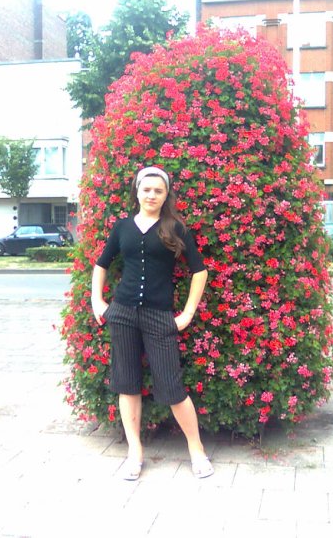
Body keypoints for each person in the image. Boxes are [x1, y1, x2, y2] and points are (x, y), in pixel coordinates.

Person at [91, 166, 214, 480]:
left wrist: (187, 313)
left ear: (166, 195)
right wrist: (97, 301)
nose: (151, 195)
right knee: (127, 383)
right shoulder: (122, 227)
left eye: (158, 191)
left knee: (172, 387)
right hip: (123, 313)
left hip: (160, 316)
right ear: (137, 191)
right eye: (146, 189)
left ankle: (196, 450)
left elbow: (199, 271)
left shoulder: (175, 228)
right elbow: (101, 264)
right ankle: (134, 453)